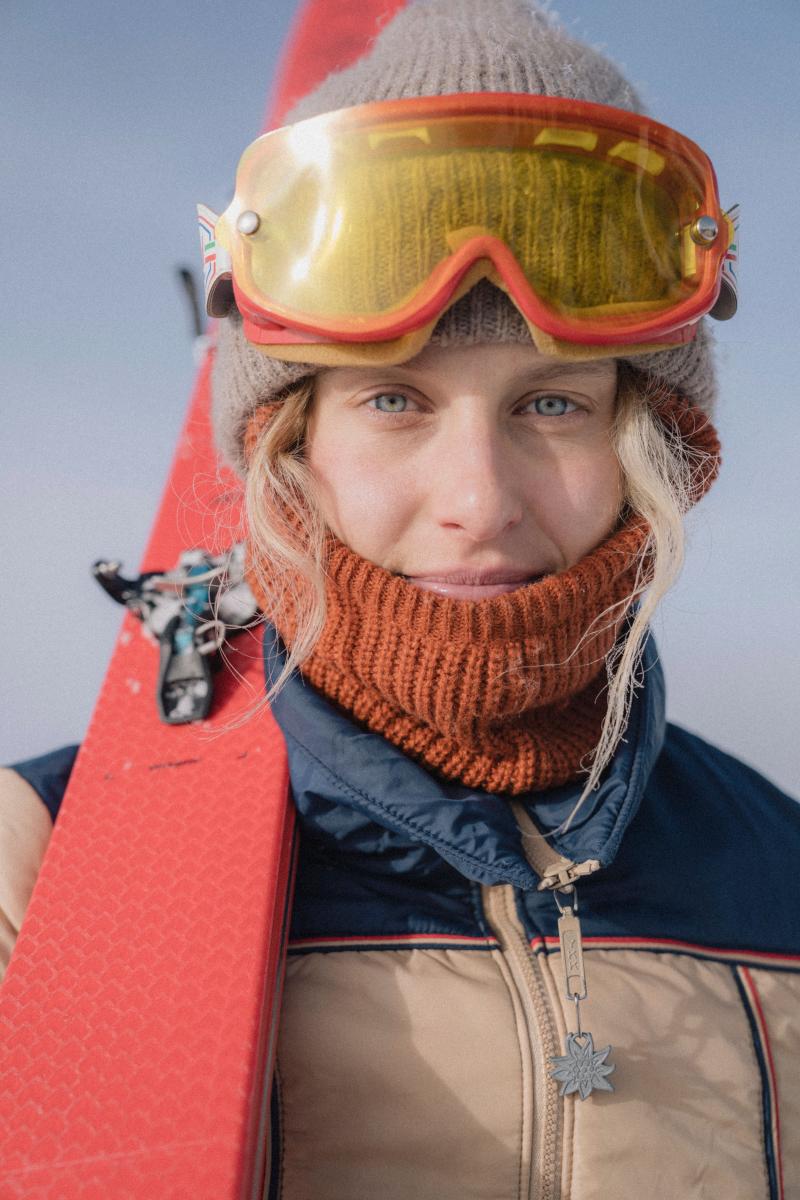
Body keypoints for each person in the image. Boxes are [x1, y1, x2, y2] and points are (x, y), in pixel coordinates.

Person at [2, 1, 799, 1196]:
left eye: (551, 404)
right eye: (392, 401)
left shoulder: (776, 870)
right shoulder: (40, 867)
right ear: (286, 449)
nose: (477, 501)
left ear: (651, 450)